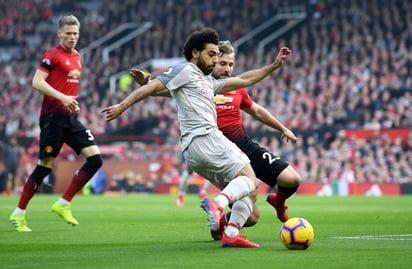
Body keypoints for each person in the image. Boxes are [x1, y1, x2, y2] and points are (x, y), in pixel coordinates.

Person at [102, 27, 291, 248]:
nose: (214, 60)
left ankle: (230, 233)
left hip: (194, 152)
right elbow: (152, 87)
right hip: (206, 137)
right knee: (250, 178)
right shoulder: (184, 71)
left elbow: (244, 80)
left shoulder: (207, 82)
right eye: (211, 54)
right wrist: (122, 106)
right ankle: (217, 204)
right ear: (195, 53)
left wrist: (274, 65)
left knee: (249, 194)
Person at [9, 15, 103, 232]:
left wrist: (71, 102)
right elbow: (37, 82)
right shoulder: (52, 55)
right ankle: (19, 214)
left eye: (75, 34)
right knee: (44, 167)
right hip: (52, 119)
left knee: (95, 160)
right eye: (68, 33)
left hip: (70, 119)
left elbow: (68, 87)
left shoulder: (78, 56)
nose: (72, 37)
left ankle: (63, 204)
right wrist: (62, 97)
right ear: (59, 34)